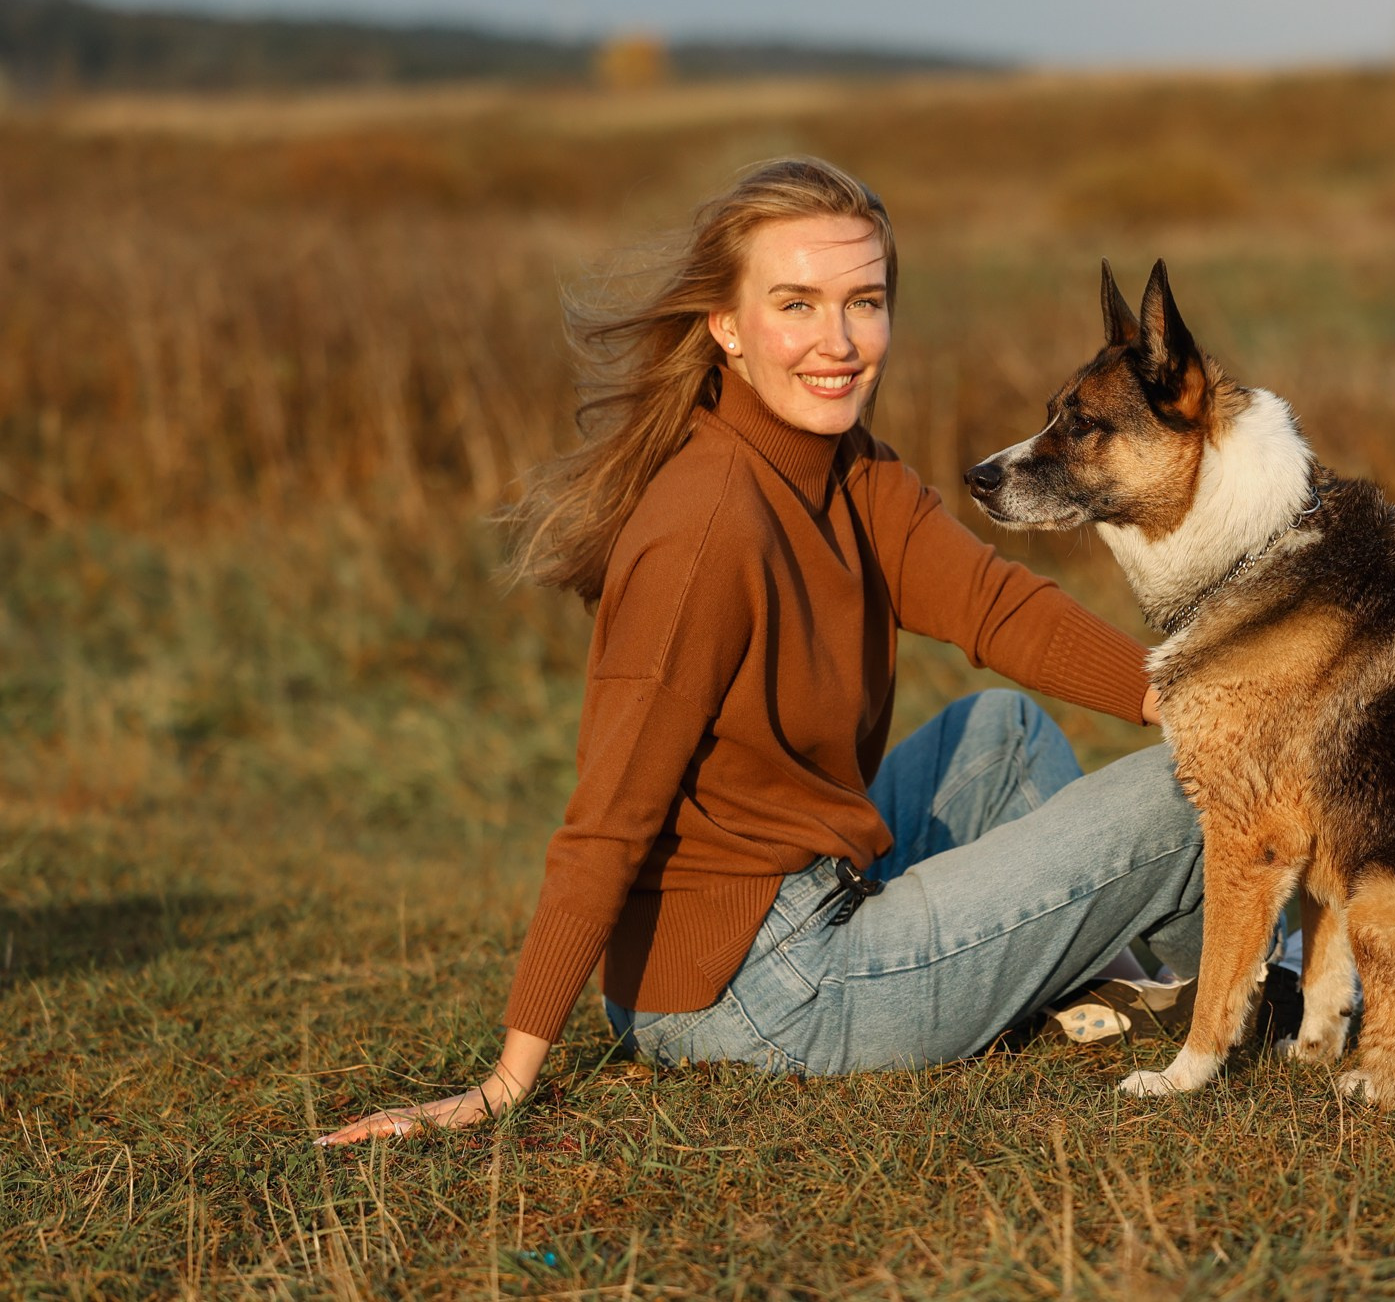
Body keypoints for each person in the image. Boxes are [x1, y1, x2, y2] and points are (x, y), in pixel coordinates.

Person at [320, 157, 1212, 1145]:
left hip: (808, 892)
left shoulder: (844, 466)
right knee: (1190, 787)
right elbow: (606, 820)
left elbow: (995, 605)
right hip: (755, 989)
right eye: (798, 303)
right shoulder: (706, 531)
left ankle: (1167, 976)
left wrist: (1179, 688)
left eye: (863, 302)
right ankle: (1260, 981)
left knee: (1001, 731)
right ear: (728, 326)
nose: (838, 343)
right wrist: (504, 1079)